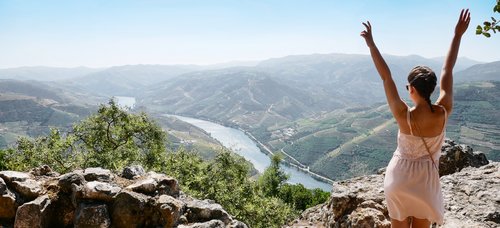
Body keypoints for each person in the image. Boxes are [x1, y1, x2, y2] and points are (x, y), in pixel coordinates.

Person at [360, 9, 471, 228]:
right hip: (426, 183)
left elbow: (386, 77)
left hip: (398, 179)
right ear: (431, 89)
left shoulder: (404, 116)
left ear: (411, 89)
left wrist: (371, 44)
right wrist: (458, 35)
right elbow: (447, 69)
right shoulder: (443, 111)